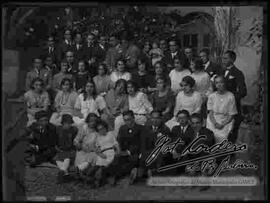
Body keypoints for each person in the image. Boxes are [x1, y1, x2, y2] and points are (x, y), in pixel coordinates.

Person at [103, 110, 146, 185]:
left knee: (132, 161)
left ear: (133, 118)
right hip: (123, 152)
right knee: (116, 160)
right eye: (125, 120)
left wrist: (128, 152)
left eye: (129, 119)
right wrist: (118, 149)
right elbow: (119, 141)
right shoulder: (122, 128)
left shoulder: (141, 129)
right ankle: (113, 175)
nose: (127, 122)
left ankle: (119, 176)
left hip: (135, 153)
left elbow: (141, 144)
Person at [222, 50, 247, 144]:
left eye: (225, 58)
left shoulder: (238, 73)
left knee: (231, 133)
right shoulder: (221, 71)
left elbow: (243, 92)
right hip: (220, 106)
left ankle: (230, 153)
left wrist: (230, 97)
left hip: (232, 107)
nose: (223, 60)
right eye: (222, 58)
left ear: (232, 59)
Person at [206, 75, 238, 143]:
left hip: (226, 120)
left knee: (221, 139)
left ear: (225, 83)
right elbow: (210, 113)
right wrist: (215, 123)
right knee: (210, 137)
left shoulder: (230, 96)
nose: (219, 85)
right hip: (213, 120)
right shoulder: (212, 96)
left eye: (221, 82)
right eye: (217, 83)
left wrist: (222, 124)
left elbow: (231, 114)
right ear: (215, 85)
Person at [143, 111, 171, 176]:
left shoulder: (165, 129)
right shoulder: (146, 128)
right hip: (148, 151)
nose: (155, 120)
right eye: (153, 118)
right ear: (150, 118)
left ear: (161, 119)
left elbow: (165, 144)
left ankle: (152, 172)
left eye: (157, 118)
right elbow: (143, 143)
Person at [94, 120, 119, 187]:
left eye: (102, 128)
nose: (101, 131)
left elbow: (116, 144)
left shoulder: (110, 134)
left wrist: (117, 151)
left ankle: (103, 177)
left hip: (110, 152)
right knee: (100, 163)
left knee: (110, 163)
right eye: (99, 130)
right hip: (102, 153)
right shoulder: (98, 138)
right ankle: (100, 178)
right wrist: (100, 154)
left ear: (105, 127)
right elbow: (97, 149)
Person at [55, 114, 78, 183]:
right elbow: (55, 140)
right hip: (60, 149)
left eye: (70, 123)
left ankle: (62, 171)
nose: (68, 125)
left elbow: (75, 141)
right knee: (58, 159)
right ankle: (65, 173)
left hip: (70, 150)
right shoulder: (58, 129)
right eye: (66, 123)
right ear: (62, 123)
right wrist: (56, 147)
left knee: (67, 158)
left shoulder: (74, 130)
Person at [170, 110, 195, 175]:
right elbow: (172, 141)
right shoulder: (175, 128)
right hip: (176, 152)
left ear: (188, 118)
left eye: (183, 118)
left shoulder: (192, 129)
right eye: (179, 118)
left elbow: (192, 143)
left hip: (187, 152)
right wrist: (173, 150)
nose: (181, 120)